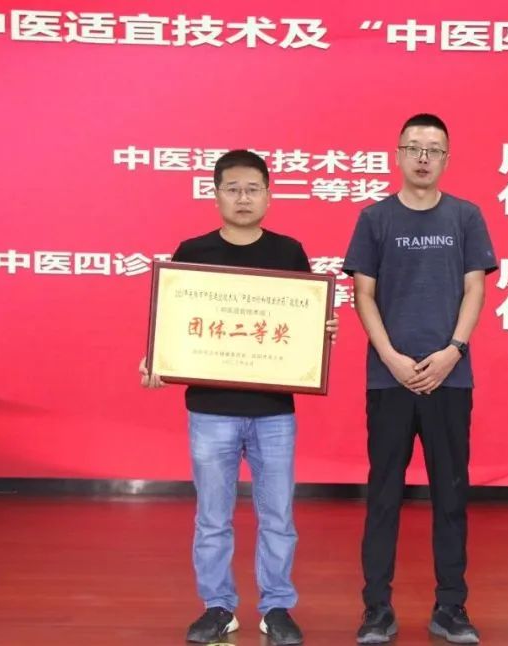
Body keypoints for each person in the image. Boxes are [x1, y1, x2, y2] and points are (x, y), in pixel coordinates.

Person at [139, 149, 339, 645]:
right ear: (215, 196)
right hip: (211, 410)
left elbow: (302, 324)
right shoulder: (193, 251)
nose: (243, 198)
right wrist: (157, 357)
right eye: (233, 189)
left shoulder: (289, 252)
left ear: (269, 195)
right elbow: (174, 324)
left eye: (253, 189)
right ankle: (218, 606)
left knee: (278, 516)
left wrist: (321, 330)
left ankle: (277, 607)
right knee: (212, 517)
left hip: (273, 412)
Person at [343, 113, 497, 644]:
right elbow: (363, 293)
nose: (423, 158)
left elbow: (475, 289)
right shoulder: (374, 218)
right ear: (398, 155)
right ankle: (376, 608)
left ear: (447, 158)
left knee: (451, 495)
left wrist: (454, 351)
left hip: (449, 378)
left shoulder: (466, 216)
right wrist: (389, 356)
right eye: (413, 148)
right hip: (390, 379)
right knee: (383, 494)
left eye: (433, 149)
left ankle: (451, 607)